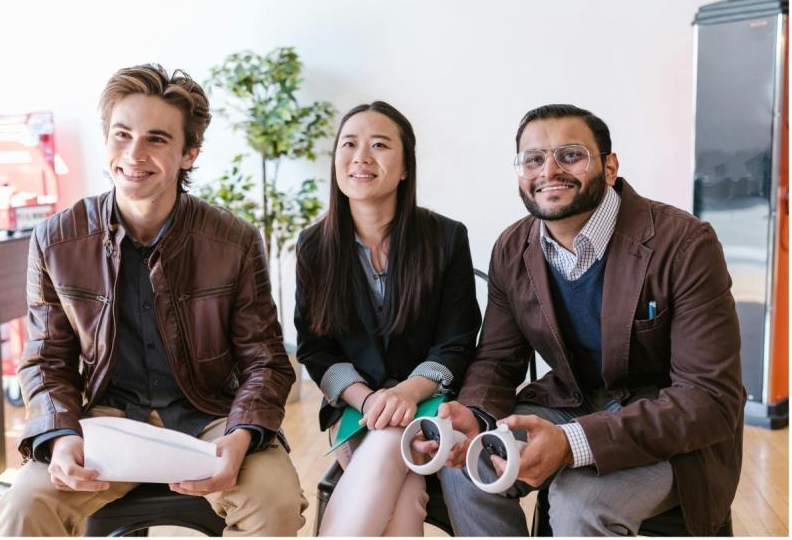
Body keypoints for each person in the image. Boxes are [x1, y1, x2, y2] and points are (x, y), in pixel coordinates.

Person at [0, 64, 307, 536]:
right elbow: (45, 361)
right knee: (22, 508)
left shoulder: (234, 240)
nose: (134, 154)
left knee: (275, 502)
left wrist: (242, 435)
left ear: (189, 154)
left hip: (211, 418)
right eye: (122, 134)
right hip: (106, 422)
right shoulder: (56, 239)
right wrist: (59, 435)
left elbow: (266, 361)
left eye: (157, 139)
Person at [431, 104, 744, 536]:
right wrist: (476, 414)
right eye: (533, 159)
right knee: (467, 469)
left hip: (664, 428)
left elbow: (709, 399)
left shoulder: (685, 244)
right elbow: (498, 361)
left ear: (610, 166)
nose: (550, 171)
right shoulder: (511, 247)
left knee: (578, 500)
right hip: (565, 406)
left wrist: (573, 442)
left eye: (571, 155)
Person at [295, 101, 481, 536]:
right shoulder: (313, 247)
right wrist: (369, 400)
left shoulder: (446, 238)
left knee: (389, 454)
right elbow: (315, 349)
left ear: (403, 168)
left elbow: (457, 340)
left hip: (433, 404)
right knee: (405, 490)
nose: (361, 156)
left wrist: (406, 393)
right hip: (355, 410)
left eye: (379, 145)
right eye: (349, 144)